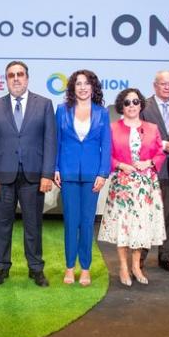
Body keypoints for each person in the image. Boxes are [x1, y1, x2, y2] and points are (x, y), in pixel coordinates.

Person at [0, 60, 57, 287]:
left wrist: (47, 174)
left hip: (33, 178)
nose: (16, 78)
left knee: (33, 225)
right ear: (6, 80)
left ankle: (36, 269)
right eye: (11, 75)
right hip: (3, 177)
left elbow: (49, 142)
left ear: (27, 78)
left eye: (20, 74)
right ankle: (1, 268)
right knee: (2, 225)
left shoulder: (44, 104)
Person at [98, 88, 166, 287]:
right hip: (123, 186)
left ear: (141, 104)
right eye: (127, 102)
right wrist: (119, 165)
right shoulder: (112, 128)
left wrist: (150, 163)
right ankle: (123, 267)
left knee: (140, 228)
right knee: (124, 227)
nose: (132, 106)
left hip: (145, 187)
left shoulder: (152, 128)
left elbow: (160, 153)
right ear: (121, 106)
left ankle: (136, 266)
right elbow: (105, 154)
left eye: (135, 102)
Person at [54, 70, 111, 286]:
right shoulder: (62, 110)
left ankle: (85, 268)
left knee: (87, 223)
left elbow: (106, 145)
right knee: (71, 222)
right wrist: (55, 168)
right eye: (78, 84)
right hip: (67, 173)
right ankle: (70, 267)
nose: (83, 87)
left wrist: (103, 173)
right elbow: (56, 141)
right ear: (72, 88)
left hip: (92, 175)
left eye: (87, 83)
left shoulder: (102, 113)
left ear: (93, 87)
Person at [140, 70, 169, 274]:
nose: (167, 87)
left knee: (167, 216)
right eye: (163, 84)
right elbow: (138, 138)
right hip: (150, 170)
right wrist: (164, 145)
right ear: (155, 85)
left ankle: (165, 256)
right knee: (145, 215)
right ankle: (139, 257)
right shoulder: (143, 107)